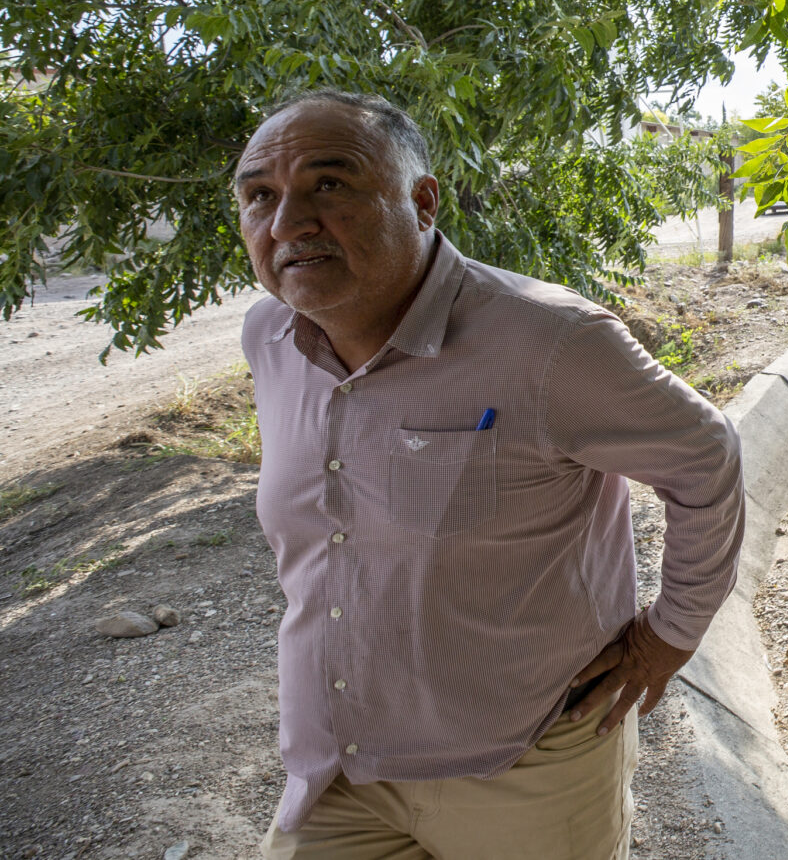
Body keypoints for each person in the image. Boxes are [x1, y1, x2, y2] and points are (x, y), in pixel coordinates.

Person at [234, 89, 743, 859]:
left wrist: (667, 637)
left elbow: (707, 456)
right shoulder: (269, 335)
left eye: (329, 185)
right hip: (339, 767)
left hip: (528, 765)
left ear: (424, 201)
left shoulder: (550, 343)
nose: (288, 223)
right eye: (259, 196)